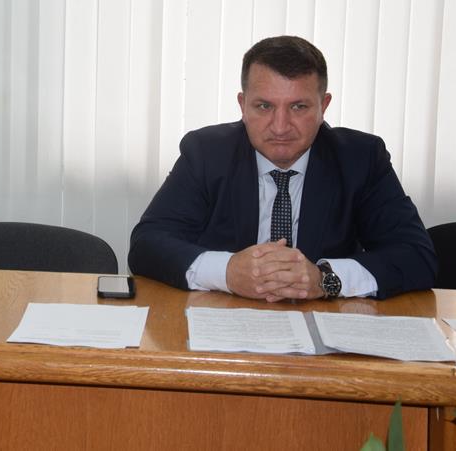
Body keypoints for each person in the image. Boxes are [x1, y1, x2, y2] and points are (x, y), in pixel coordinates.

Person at [129, 35, 436, 301]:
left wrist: (325, 279)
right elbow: (147, 244)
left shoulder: (360, 159)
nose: (280, 126)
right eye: (264, 106)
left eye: (298, 107)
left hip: (324, 328)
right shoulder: (207, 153)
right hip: (223, 320)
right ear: (243, 105)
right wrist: (228, 272)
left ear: (323, 106)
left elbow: (417, 257)